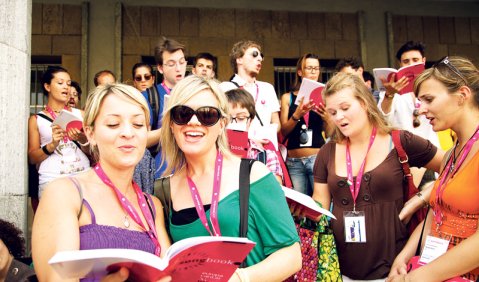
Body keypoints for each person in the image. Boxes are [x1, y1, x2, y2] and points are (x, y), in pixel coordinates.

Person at [159, 75, 301, 281]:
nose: (194, 122)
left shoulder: (254, 174)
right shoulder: (163, 190)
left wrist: (240, 278)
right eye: (182, 114)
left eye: (207, 115)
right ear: (171, 124)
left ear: (222, 124)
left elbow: (291, 255)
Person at [32, 83, 171, 281]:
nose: (128, 133)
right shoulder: (65, 193)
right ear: (90, 133)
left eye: (138, 125)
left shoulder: (152, 205)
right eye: (113, 124)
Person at [313, 72, 444, 280]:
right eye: (332, 112)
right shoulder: (326, 152)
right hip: (340, 270)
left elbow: (455, 167)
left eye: (345, 108)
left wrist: (422, 198)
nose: (338, 117)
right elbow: (319, 206)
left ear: (365, 103)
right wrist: (303, 210)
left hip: (394, 269)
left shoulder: (401, 141)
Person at [388, 56, 479, 282]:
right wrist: (404, 257)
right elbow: (438, 213)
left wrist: (418, 277)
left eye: (428, 99)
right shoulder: (451, 153)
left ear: (462, 95)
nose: (421, 110)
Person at [378, 41, 443, 193]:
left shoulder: (437, 87)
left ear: (423, 62)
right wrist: (389, 95)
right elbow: (382, 119)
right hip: (402, 158)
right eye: (406, 62)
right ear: (400, 65)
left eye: (415, 60)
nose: (411, 64)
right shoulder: (391, 91)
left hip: (432, 155)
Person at [28, 66, 90, 198]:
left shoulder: (82, 115)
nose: (66, 87)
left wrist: (82, 139)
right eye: (60, 83)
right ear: (47, 87)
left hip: (83, 176)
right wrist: (51, 145)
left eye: (68, 83)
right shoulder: (36, 119)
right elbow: (32, 158)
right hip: (52, 179)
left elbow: (95, 152)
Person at [280, 53, 327, 196]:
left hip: (317, 158)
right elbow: (283, 131)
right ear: (300, 72)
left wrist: (327, 117)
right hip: (294, 161)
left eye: (316, 68)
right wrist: (297, 115)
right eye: (309, 68)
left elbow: (330, 132)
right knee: (299, 208)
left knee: (320, 206)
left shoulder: (325, 96)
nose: (313, 72)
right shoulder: (287, 97)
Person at [143, 36, 187, 179]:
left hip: (192, 171)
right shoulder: (149, 97)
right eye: (171, 64)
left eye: (182, 62)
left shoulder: (196, 93)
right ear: (160, 68)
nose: (179, 68)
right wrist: (168, 128)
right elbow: (141, 139)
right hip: (162, 173)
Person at [220, 40, 281, 139]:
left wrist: (264, 135)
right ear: (239, 59)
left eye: (261, 56)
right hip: (236, 147)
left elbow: (276, 123)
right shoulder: (225, 87)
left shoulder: (267, 88)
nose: (260, 59)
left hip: (263, 149)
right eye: (254, 54)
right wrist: (250, 138)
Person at [225, 88, 283, 183]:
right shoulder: (209, 155)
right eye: (227, 118)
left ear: (250, 121)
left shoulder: (266, 156)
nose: (233, 124)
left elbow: (273, 193)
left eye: (241, 118)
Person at [131, 63, 156, 193]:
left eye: (146, 77)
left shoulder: (160, 98)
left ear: (153, 78)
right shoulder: (129, 101)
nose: (143, 81)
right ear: (134, 82)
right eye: (138, 78)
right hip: (137, 159)